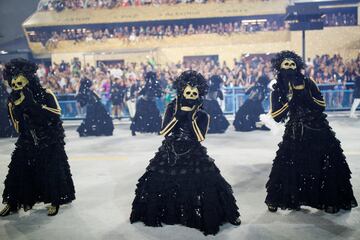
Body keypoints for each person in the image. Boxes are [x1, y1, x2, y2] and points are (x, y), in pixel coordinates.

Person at [130, 70, 240, 235]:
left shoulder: (202, 114)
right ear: (181, 92)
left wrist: (192, 116)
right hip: (171, 150)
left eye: (194, 93)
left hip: (193, 151)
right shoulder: (171, 107)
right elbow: (164, 132)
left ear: (199, 95)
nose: (190, 95)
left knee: (204, 182)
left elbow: (200, 137)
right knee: (161, 181)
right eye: (187, 92)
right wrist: (178, 115)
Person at [265, 51, 357, 213]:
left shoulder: (309, 82)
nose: (290, 67)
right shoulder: (277, 90)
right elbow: (276, 116)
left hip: (318, 128)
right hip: (295, 131)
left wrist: (306, 96)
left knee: (325, 162)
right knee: (288, 164)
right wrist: (290, 101)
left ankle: (327, 198)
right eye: (286, 64)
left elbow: (321, 104)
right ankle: (280, 198)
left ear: (298, 66)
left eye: (293, 64)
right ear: (279, 67)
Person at [0, 58, 75, 217]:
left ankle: (54, 199)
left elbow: (56, 113)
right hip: (27, 140)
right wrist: (20, 110)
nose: (16, 87)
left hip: (48, 139)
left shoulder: (46, 93)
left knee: (51, 170)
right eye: (12, 84)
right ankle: (12, 202)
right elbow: (18, 127)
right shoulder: (12, 102)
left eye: (19, 83)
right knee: (18, 171)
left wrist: (33, 106)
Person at [130, 72, 162, 136]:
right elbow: (157, 93)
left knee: (140, 116)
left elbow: (144, 91)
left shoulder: (149, 83)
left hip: (145, 102)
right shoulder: (154, 83)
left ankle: (134, 130)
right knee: (155, 116)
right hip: (147, 102)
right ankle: (157, 130)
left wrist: (138, 93)